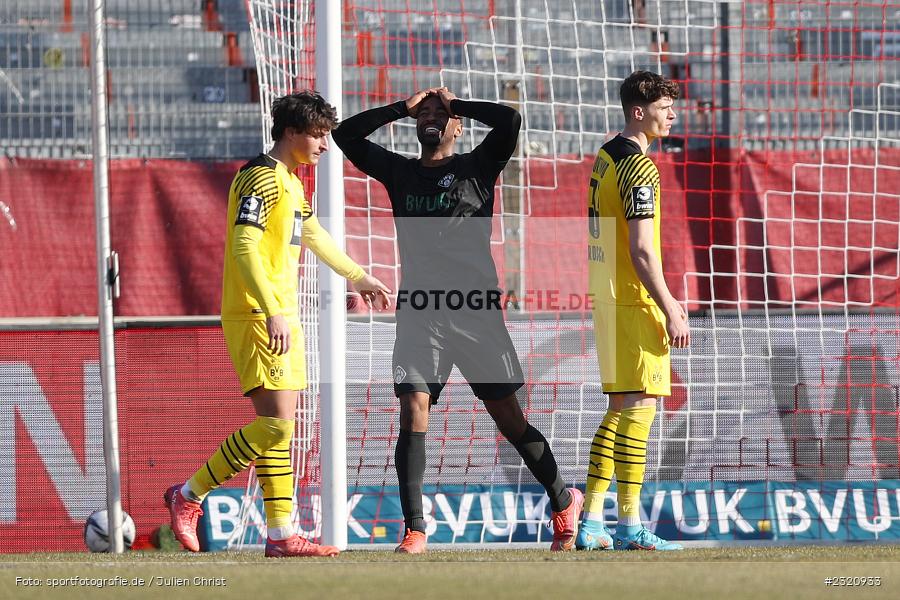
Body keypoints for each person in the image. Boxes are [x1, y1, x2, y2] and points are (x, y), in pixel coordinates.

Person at [332, 87, 582, 554]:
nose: (431, 116)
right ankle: (416, 530)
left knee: (509, 420)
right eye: (423, 112)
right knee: (413, 410)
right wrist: (398, 109)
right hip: (420, 316)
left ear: (457, 125)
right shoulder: (400, 172)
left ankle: (564, 500)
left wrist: (458, 103)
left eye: (439, 112)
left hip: (476, 315)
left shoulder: (477, 168)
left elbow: (509, 119)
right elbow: (345, 134)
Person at [164, 91, 391, 558]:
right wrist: (271, 311)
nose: (326, 145)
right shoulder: (260, 179)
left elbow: (311, 234)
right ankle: (188, 496)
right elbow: (245, 248)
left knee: (277, 428)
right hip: (257, 313)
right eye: (319, 135)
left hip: (278, 312)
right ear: (291, 132)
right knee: (276, 429)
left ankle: (281, 534)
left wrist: (358, 275)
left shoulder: (290, 181)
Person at [576, 71, 690, 551]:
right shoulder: (640, 168)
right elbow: (643, 251)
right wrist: (670, 307)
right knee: (640, 410)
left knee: (619, 408)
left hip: (606, 298)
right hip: (633, 298)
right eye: (666, 107)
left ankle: (591, 523)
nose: (673, 115)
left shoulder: (605, 157)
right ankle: (628, 526)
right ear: (638, 110)